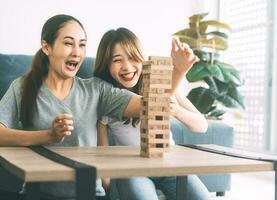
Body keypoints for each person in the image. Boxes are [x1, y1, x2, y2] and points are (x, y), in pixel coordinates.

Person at [0, 15, 196, 200]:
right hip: (37, 193)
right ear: (46, 47)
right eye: (68, 43)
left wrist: (178, 72)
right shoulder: (23, 87)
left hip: (90, 193)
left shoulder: (96, 90)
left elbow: (152, 106)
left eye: (82, 45)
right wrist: (47, 136)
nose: (77, 52)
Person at [94, 27, 210, 200]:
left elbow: (202, 125)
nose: (127, 67)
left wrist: (177, 111)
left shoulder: (163, 85)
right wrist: (106, 190)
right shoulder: (108, 98)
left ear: (142, 59)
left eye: (133, 58)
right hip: (133, 171)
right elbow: (101, 152)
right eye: (117, 60)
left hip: (169, 164)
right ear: (106, 65)